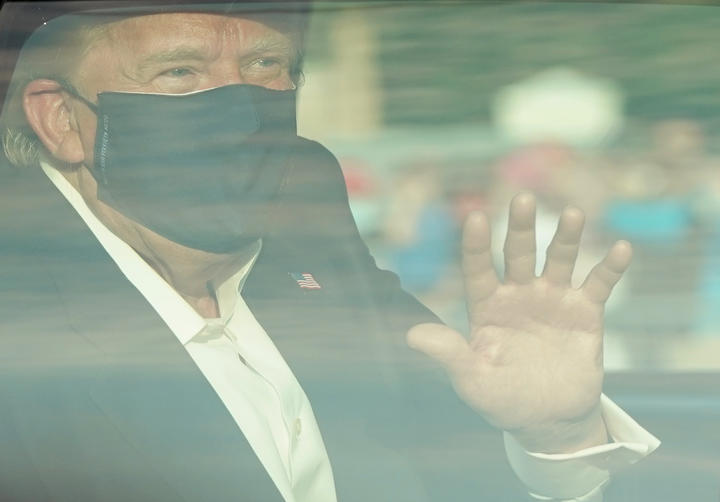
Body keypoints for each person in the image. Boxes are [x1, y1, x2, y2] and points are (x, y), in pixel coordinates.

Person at [0, 2, 659, 501]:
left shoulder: (304, 224)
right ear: (61, 118)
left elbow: (423, 456)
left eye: (265, 65)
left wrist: (555, 438)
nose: (243, 107)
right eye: (179, 72)